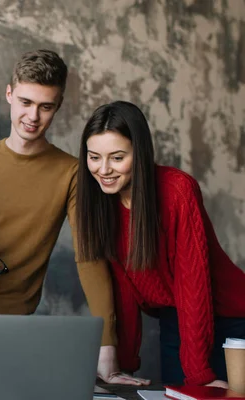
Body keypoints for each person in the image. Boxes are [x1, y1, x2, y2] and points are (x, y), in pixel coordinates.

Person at [0, 49, 149, 386]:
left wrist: (106, 347)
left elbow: (89, 258)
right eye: (25, 102)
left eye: (46, 106)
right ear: (9, 94)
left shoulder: (71, 172)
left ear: (58, 105)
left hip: (14, 322)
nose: (33, 116)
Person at [75, 100, 245, 387]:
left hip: (231, 318)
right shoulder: (100, 201)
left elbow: (194, 285)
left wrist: (199, 374)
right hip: (176, 319)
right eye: (94, 157)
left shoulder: (177, 190)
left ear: (139, 154)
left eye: (117, 158)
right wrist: (123, 365)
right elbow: (123, 288)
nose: (103, 169)